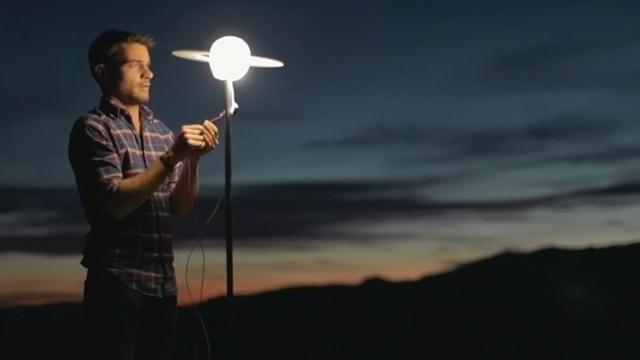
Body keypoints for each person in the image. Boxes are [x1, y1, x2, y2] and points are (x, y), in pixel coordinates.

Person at [68, 29, 219, 360]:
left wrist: (192, 160)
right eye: (137, 64)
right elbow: (114, 204)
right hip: (117, 283)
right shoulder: (93, 128)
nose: (149, 73)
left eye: (149, 65)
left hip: (163, 285)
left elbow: (180, 207)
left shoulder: (161, 132)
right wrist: (172, 158)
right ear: (103, 72)